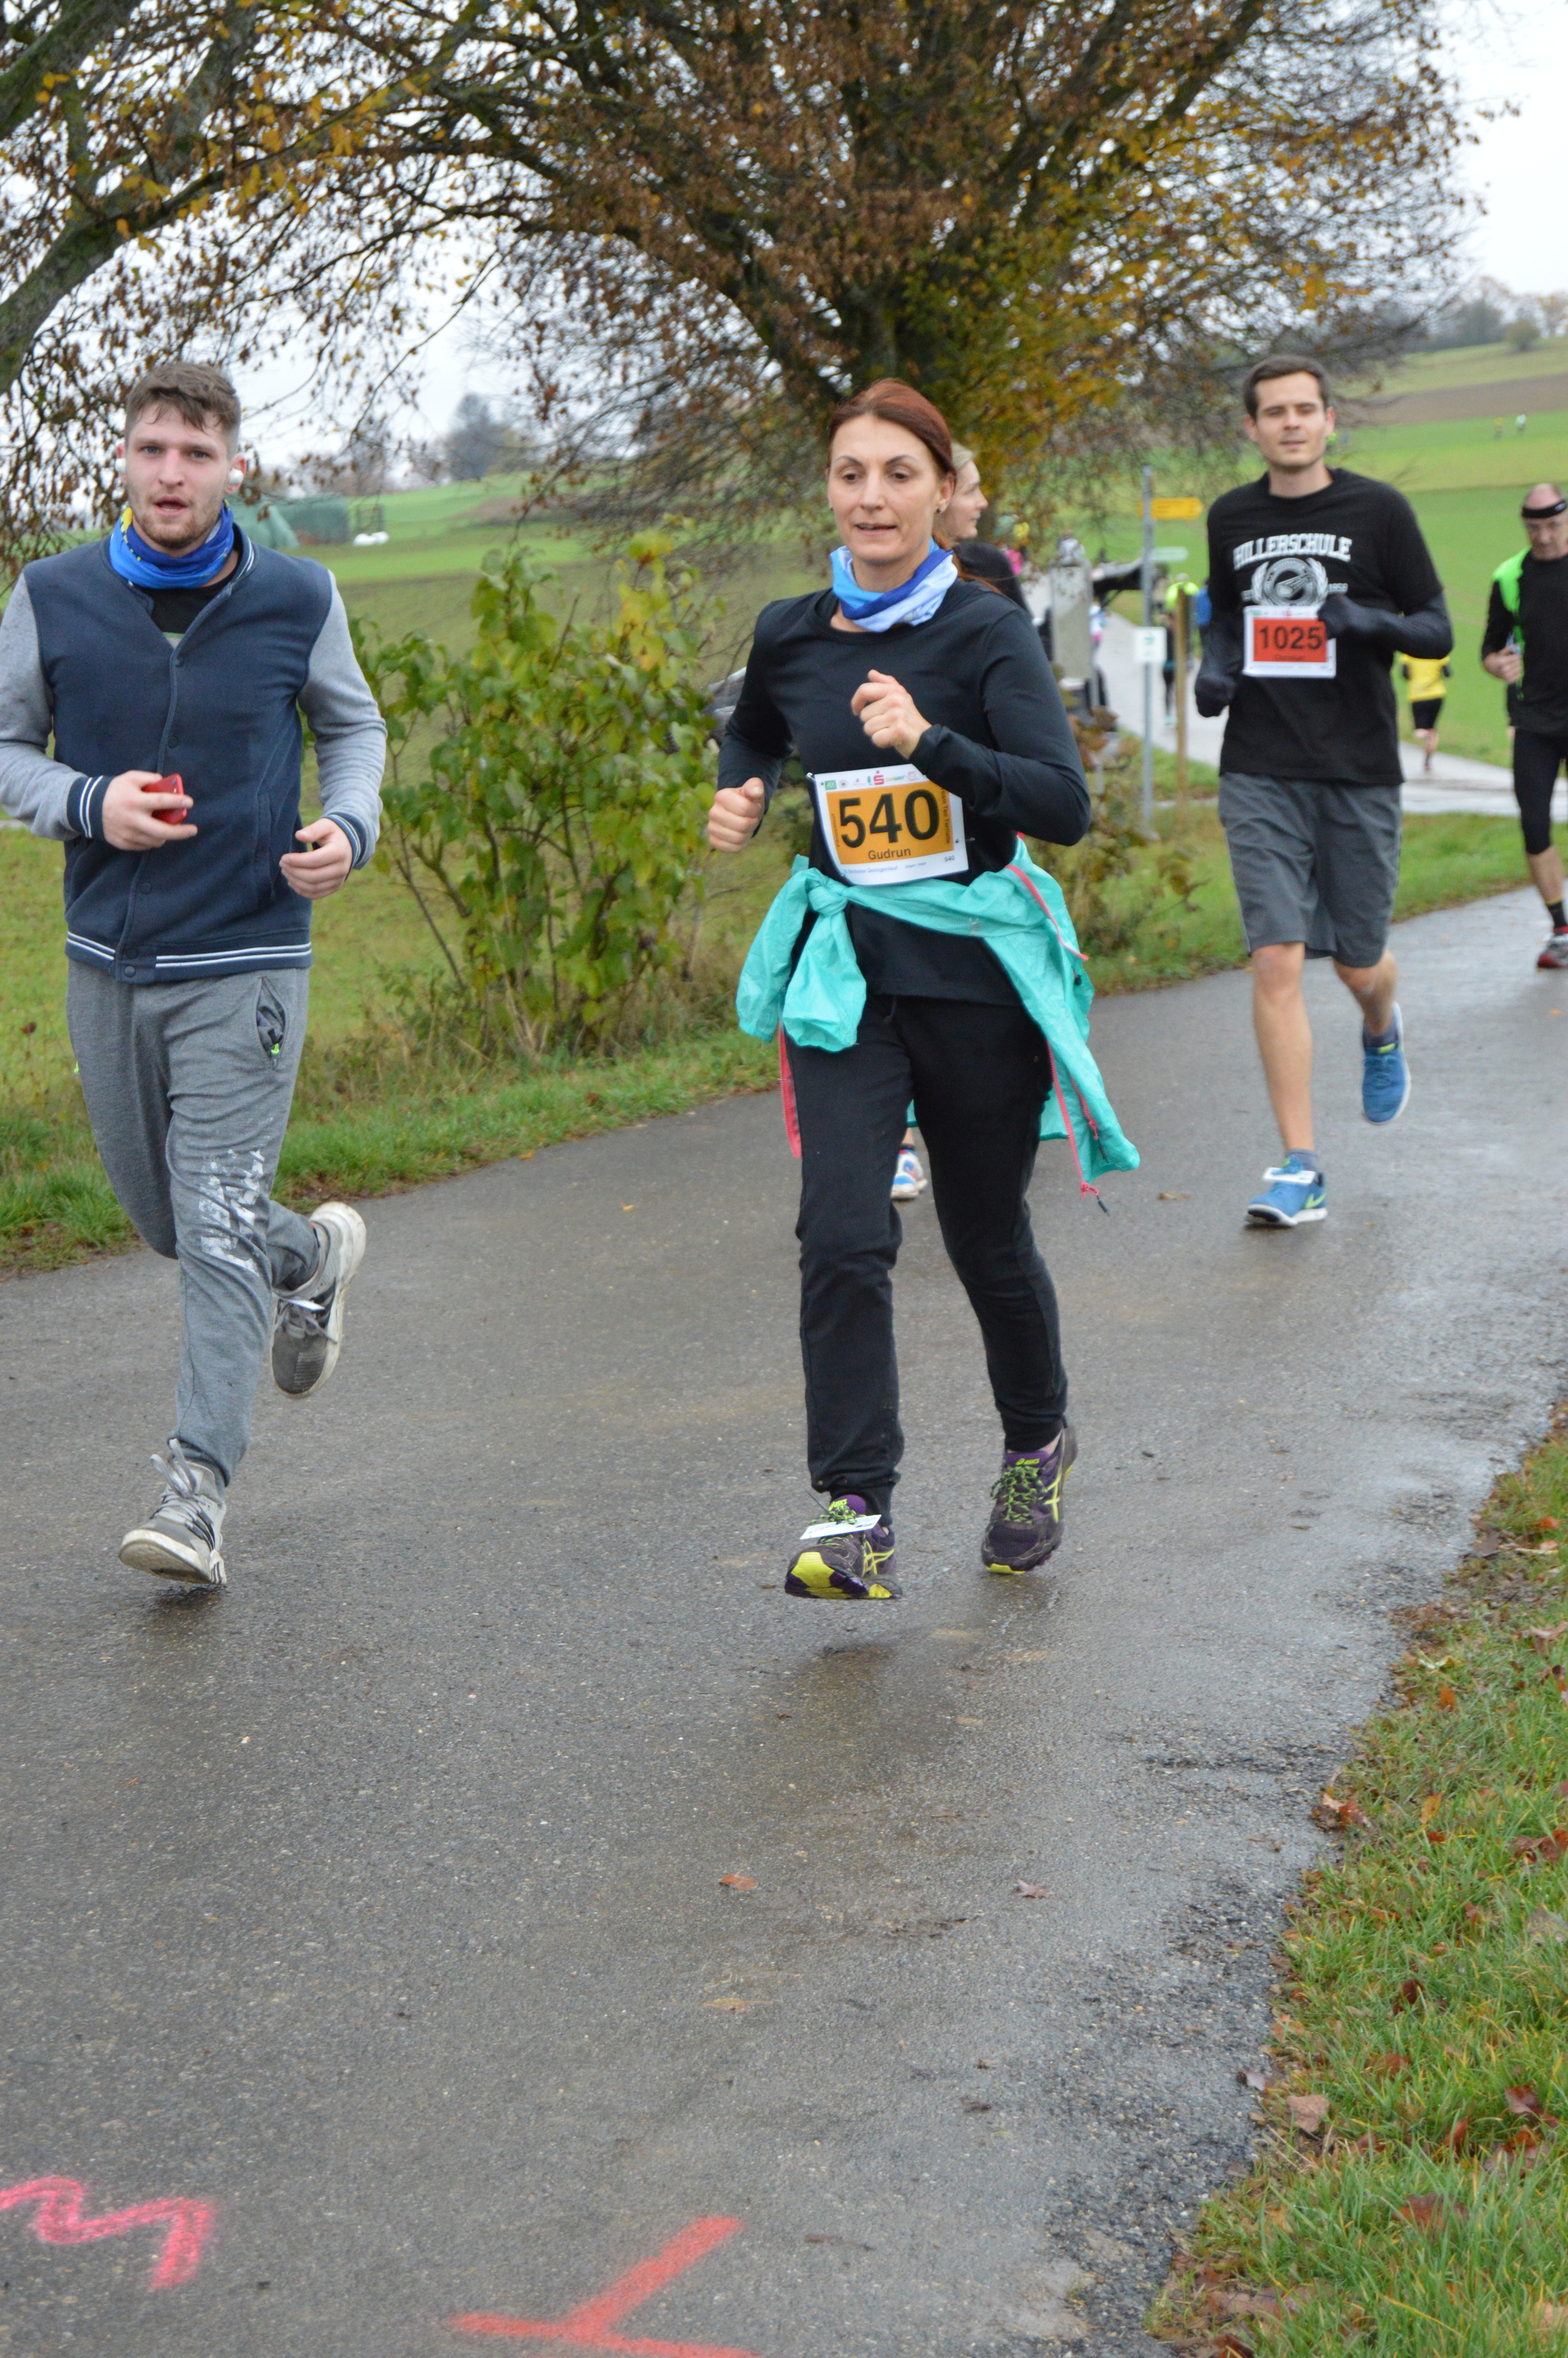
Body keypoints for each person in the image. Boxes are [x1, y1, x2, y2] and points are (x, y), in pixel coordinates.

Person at [707, 379, 1135, 1602]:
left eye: (900, 473)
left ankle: (1035, 1445)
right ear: (829, 490)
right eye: (852, 473)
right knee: (842, 1232)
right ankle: (856, 1509)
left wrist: (928, 746)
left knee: (986, 1236)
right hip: (848, 978)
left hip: (974, 980)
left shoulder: (986, 631)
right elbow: (756, 726)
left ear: (944, 492)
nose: (873, 496)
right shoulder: (791, 631)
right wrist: (744, 787)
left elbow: (1062, 803)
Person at [0, 361, 385, 1586]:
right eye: (154, 449)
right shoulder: (52, 594)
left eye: (198, 452)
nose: (173, 473)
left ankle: (196, 1496)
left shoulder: (297, 596)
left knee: (214, 1225)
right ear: (125, 458)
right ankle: (309, 1258)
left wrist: (351, 823)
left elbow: (353, 725)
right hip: (108, 961)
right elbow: (4, 747)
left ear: (233, 467)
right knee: (171, 1221)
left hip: (249, 953)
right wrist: (86, 802)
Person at [1196, 354, 1451, 1229]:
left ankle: (1380, 1024)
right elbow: (1227, 618)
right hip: (1259, 764)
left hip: (1357, 767)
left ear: (1329, 420)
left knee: (1356, 962)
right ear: (1252, 427)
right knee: (1276, 955)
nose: (1292, 423)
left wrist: (1367, 621)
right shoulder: (1231, 517)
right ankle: (1300, 1165)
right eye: (1275, 412)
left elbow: (1436, 627)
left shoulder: (1379, 511)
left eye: (1305, 409)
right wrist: (1214, 671)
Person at [1481, 484, 1568, 968]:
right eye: (1535, 528)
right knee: (1534, 824)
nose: (1545, 537)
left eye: (1553, 525)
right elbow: (1490, 647)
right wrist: (1497, 664)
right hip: (1534, 719)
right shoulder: (1510, 577)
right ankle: (1561, 931)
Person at [1401, 653, 1450, 770]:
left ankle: (1426, 735)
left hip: (1417, 695)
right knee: (1432, 729)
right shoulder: (1438, 652)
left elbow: (1405, 674)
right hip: (1437, 694)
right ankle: (1428, 761)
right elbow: (1448, 673)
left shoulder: (1409, 653)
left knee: (1418, 731)